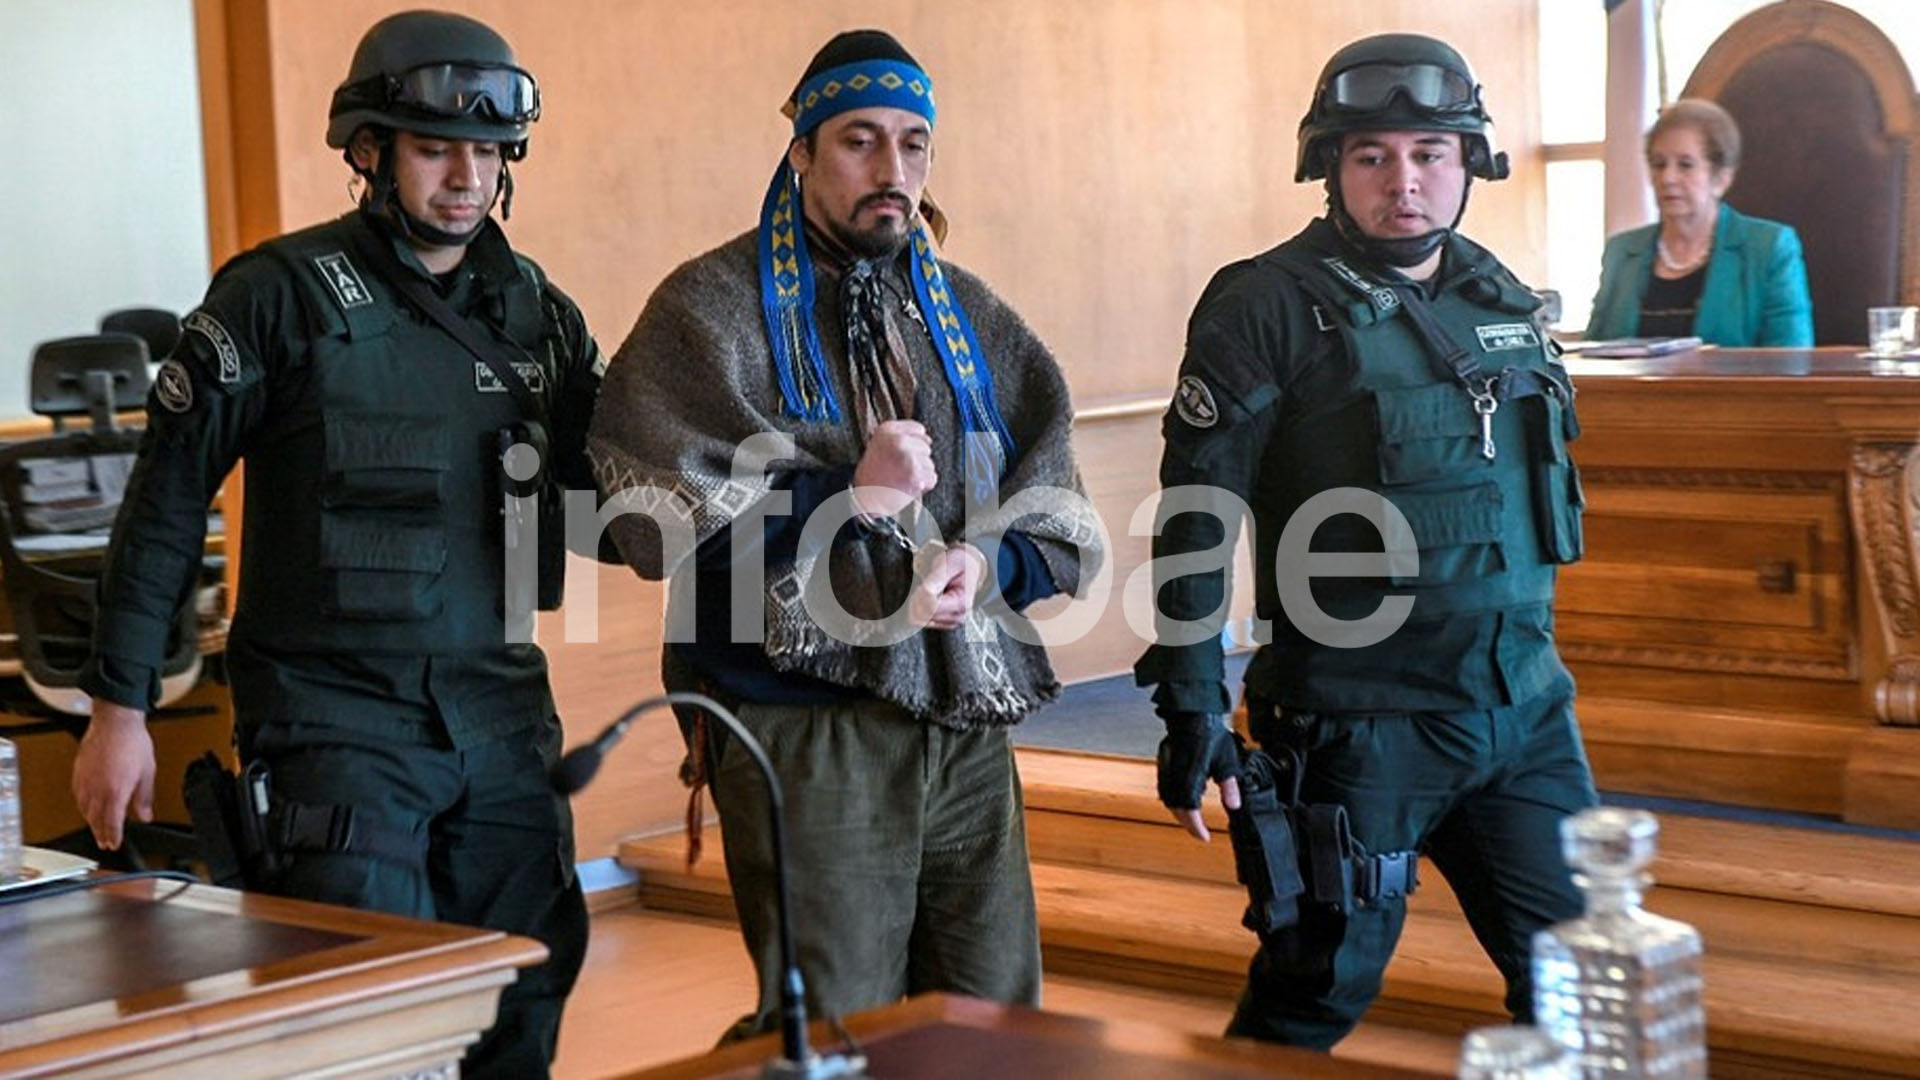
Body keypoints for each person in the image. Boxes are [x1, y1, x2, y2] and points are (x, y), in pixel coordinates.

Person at [69, 11, 600, 1077]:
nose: (466, 177)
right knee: (368, 1017)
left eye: (488, 153)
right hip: (336, 725)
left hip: (500, 721)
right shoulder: (274, 298)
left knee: (525, 993)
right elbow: (168, 501)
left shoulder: (538, 316)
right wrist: (118, 711)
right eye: (435, 146)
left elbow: (613, 497)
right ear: (369, 151)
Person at [588, 29, 1101, 1039]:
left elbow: (1058, 498)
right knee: (837, 1025)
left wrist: (988, 559)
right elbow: (643, 516)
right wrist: (843, 498)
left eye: (914, 146)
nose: (892, 171)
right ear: (802, 152)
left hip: (964, 721)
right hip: (801, 722)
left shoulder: (969, 315)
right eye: (861, 142)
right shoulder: (708, 310)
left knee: (994, 1021)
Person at [1134, 33, 1598, 1050]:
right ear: (1331, 169)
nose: (1405, 181)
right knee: (1314, 993)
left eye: (1430, 152)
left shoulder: (1499, 298)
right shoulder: (1266, 305)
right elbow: (1196, 512)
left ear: (1467, 162)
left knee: (1578, 991)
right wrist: (1191, 702)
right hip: (1360, 726)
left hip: (1522, 714)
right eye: (1373, 155)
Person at [1585, 97, 1813, 346]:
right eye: (1658, 165)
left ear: (1721, 178)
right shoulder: (1622, 251)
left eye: (1685, 165)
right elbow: (1590, 358)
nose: (1667, 178)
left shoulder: (1769, 248)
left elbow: (1792, 361)